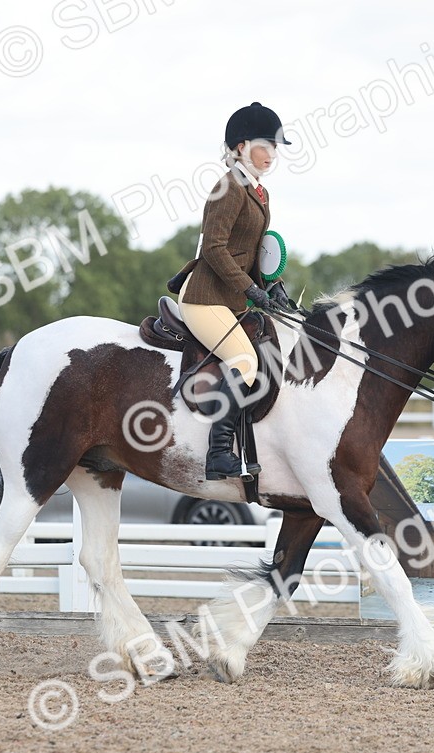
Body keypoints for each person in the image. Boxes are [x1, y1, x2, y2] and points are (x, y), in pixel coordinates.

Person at [169, 102, 290, 480]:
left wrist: (271, 285)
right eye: (265, 145)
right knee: (245, 361)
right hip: (205, 298)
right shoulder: (229, 187)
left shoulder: (258, 191)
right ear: (241, 147)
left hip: (231, 298)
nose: (272, 154)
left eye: (275, 146)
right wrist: (250, 288)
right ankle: (219, 451)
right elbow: (214, 248)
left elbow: (250, 250)